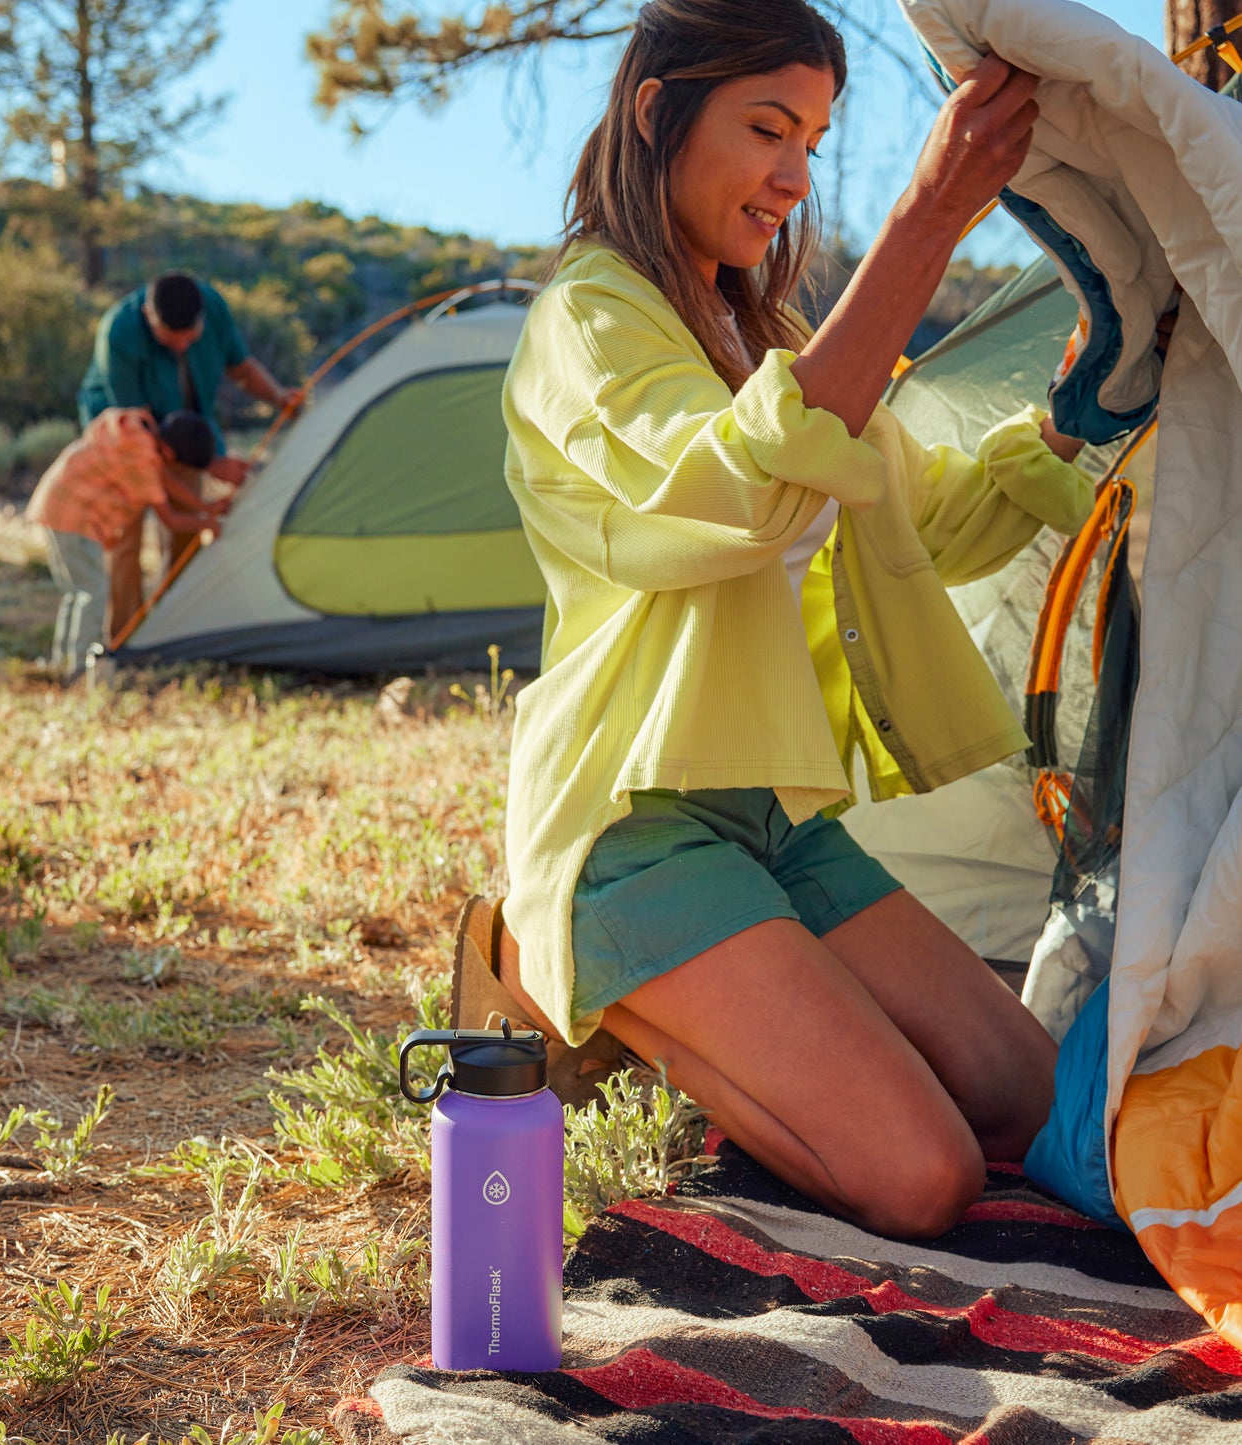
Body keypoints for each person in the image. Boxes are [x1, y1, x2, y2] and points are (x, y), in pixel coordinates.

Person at [456, 0, 1109, 1239]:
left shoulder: (773, 338)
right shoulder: (583, 323)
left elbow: (940, 522)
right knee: (922, 1174)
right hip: (633, 822)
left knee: (1021, 1094)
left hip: (776, 821)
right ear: (656, 113)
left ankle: (716, 998)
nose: (792, 176)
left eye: (811, 138)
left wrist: (1070, 416)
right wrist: (928, 216)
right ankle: (555, 962)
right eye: (768, 127)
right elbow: (744, 493)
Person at [77, 269, 303, 585]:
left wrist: (279, 397)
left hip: (182, 440)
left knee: (186, 537)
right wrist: (211, 462)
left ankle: (172, 621)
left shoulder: (214, 307)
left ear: (202, 318)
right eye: (171, 339)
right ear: (148, 315)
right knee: (126, 541)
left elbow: (241, 368)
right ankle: (123, 633)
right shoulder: (118, 331)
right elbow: (140, 429)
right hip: (125, 446)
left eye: (190, 337)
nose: (183, 346)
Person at [26, 408, 224, 676]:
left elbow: (163, 479)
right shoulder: (141, 458)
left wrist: (206, 507)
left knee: (79, 591)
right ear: (169, 453)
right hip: (73, 516)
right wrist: (208, 523)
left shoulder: (136, 435)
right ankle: (80, 667)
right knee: (93, 591)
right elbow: (171, 520)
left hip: (58, 506)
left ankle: (62, 663)